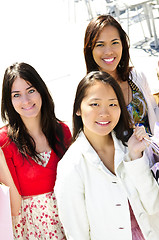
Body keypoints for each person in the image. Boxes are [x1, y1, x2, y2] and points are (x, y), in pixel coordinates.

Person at [55, 71, 159, 240]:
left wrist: (135, 157)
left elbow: (154, 205)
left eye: (112, 104)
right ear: (78, 109)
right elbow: (77, 233)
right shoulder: (71, 166)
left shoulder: (130, 145)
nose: (104, 113)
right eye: (95, 104)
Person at [0, 62, 71, 239]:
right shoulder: (4, 142)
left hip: (68, 222)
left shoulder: (61, 131)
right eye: (16, 95)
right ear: (9, 101)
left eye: (31, 90)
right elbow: (13, 207)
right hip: (30, 231)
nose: (25, 101)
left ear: (41, 91)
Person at [83, 14, 159, 137]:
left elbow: (154, 112)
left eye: (115, 42)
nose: (109, 51)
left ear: (123, 45)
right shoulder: (89, 93)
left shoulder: (136, 76)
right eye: (100, 45)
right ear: (90, 50)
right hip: (128, 156)